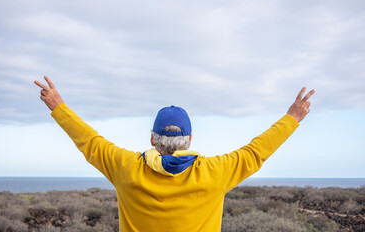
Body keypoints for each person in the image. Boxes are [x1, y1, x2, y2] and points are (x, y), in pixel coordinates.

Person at [34, 76, 315, 232]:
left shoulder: (126, 168)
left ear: (152, 139)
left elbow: (89, 142)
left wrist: (58, 106)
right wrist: (292, 117)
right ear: (190, 139)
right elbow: (256, 152)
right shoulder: (215, 173)